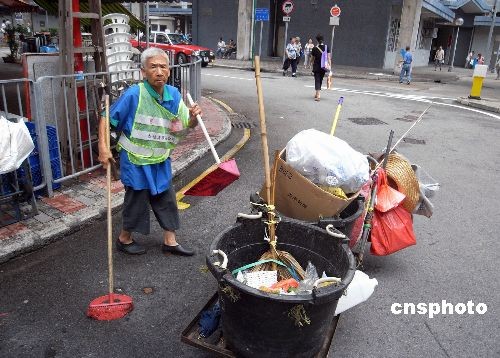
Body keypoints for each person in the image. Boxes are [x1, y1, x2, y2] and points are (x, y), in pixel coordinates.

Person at [98, 47, 201, 256]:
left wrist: (192, 117)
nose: (159, 71)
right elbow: (106, 117)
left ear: (169, 71)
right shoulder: (134, 94)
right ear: (143, 72)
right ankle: (124, 239)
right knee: (137, 197)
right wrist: (102, 148)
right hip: (135, 158)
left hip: (160, 157)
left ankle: (170, 241)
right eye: (153, 67)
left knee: (166, 196)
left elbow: (183, 126)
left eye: (163, 66)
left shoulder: (173, 94)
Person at [310, 34, 330, 101]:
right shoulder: (327, 47)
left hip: (316, 66)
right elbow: (329, 58)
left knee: (317, 80)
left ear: (317, 40)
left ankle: (318, 95)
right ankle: (317, 93)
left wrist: (310, 63)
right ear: (323, 40)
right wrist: (330, 66)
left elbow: (312, 58)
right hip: (324, 67)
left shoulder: (315, 48)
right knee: (320, 79)